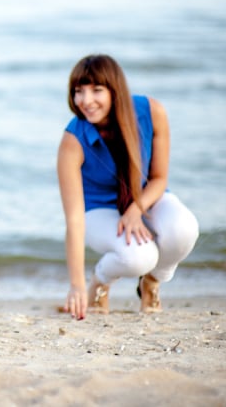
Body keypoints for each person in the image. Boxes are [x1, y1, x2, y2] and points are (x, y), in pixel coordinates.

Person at [57, 54, 199, 320]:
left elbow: (159, 178)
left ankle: (152, 283)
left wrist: (136, 209)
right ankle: (99, 282)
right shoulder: (73, 140)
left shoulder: (152, 112)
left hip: (145, 198)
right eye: (79, 92)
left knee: (184, 229)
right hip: (99, 210)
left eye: (96, 90)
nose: (86, 101)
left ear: (115, 89)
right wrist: (76, 285)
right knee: (138, 257)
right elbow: (74, 220)